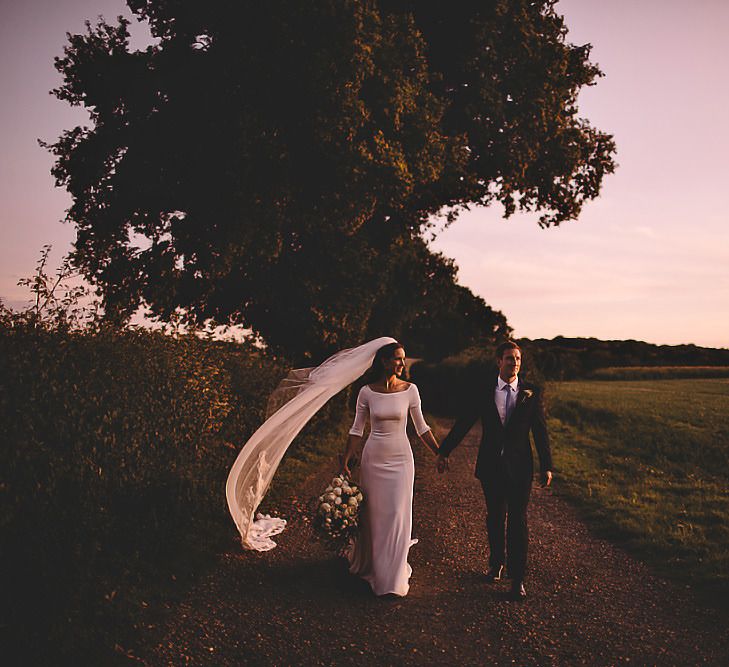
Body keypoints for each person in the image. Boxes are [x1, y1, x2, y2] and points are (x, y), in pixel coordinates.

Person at [436, 341, 552, 600]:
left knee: (518, 521)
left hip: (520, 467)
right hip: (491, 466)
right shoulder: (484, 391)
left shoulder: (531, 392)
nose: (515, 363)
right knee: (495, 517)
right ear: (499, 361)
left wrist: (547, 466)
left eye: (518, 359)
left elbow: (540, 431)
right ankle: (496, 561)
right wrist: (444, 450)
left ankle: (518, 578)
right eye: (510, 358)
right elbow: (465, 422)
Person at [342, 341, 440, 597]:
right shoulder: (366, 392)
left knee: (397, 513)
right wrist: (347, 457)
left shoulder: (410, 390)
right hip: (373, 459)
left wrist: (439, 452)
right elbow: (357, 428)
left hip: (401, 460)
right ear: (384, 361)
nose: (401, 363)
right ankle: (374, 566)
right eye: (397, 358)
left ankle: (392, 576)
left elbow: (421, 428)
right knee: (375, 515)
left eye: (403, 359)